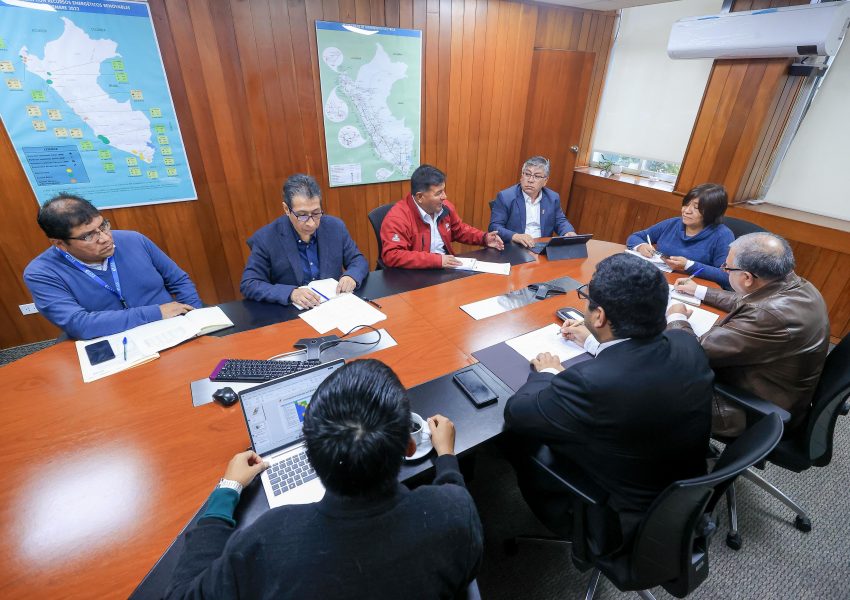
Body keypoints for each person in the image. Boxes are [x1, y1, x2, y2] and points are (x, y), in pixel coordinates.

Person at [164, 359, 483, 599]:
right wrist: (446, 456)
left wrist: (227, 490)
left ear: (312, 456)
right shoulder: (455, 513)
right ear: (409, 447)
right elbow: (454, 498)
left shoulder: (267, 541)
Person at [503, 253, 713, 547]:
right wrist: (593, 341)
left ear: (599, 316)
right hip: (679, 500)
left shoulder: (591, 383)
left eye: (587, 299)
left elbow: (517, 413)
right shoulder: (687, 344)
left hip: (621, 521)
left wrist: (548, 372)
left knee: (513, 439)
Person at [668, 232, 830, 437]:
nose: (724, 270)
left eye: (726, 267)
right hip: (772, 387)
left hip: (751, 411)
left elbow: (692, 354)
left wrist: (676, 317)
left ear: (747, 277)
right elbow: (750, 300)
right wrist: (699, 291)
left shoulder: (767, 316)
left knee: (652, 381)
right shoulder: (795, 286)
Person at [23, 193, 202, 340]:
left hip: (172, 327)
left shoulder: (134, 239)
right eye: (88, 236)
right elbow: (79, 324)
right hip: (112, 341)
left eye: (103, 226)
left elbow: (179, 280)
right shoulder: (41, 273)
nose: (105, 238)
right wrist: (156, 313)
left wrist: (196, 319)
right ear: (60, 243)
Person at [240, 174, 368, 308]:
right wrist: (291, 293)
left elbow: (358, 260)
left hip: (333, 304)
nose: (311, 223)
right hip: (292, 311)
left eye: (316, 213)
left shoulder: (335, 227)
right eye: (302, 215)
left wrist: (351, 276)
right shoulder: (266, 238)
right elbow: (249, 283)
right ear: (286, 209)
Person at [380, 164, 504, 269]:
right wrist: (437, 260)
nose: (444, 196)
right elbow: (392, 255)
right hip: (414, 275)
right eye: (438, 193)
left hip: (445, 268)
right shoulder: (397, 218)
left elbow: (459, 230)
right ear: (420, 197)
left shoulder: (445, 207)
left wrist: (484, 238)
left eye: (443, 190)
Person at [626, 183, 734, 287]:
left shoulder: (723, 235)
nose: (686, 211)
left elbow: (728, 276)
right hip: (657, 281)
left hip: (689, 288)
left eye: (696, 207)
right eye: (686, 204)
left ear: (713, 212)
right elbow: (635, 237)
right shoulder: (673, 223)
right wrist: (641, 246)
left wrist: (688, 265)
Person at [488, 156, 576, 248]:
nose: (530, 180)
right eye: (527, 174)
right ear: (521, 176)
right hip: (515, 247)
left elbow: (560, 221)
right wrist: (515, 236)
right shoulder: (506, 196)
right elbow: (495, 226)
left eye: (537, 176)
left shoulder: (552, 198)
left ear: (545, 181)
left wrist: (568, 232)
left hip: (542, 247)